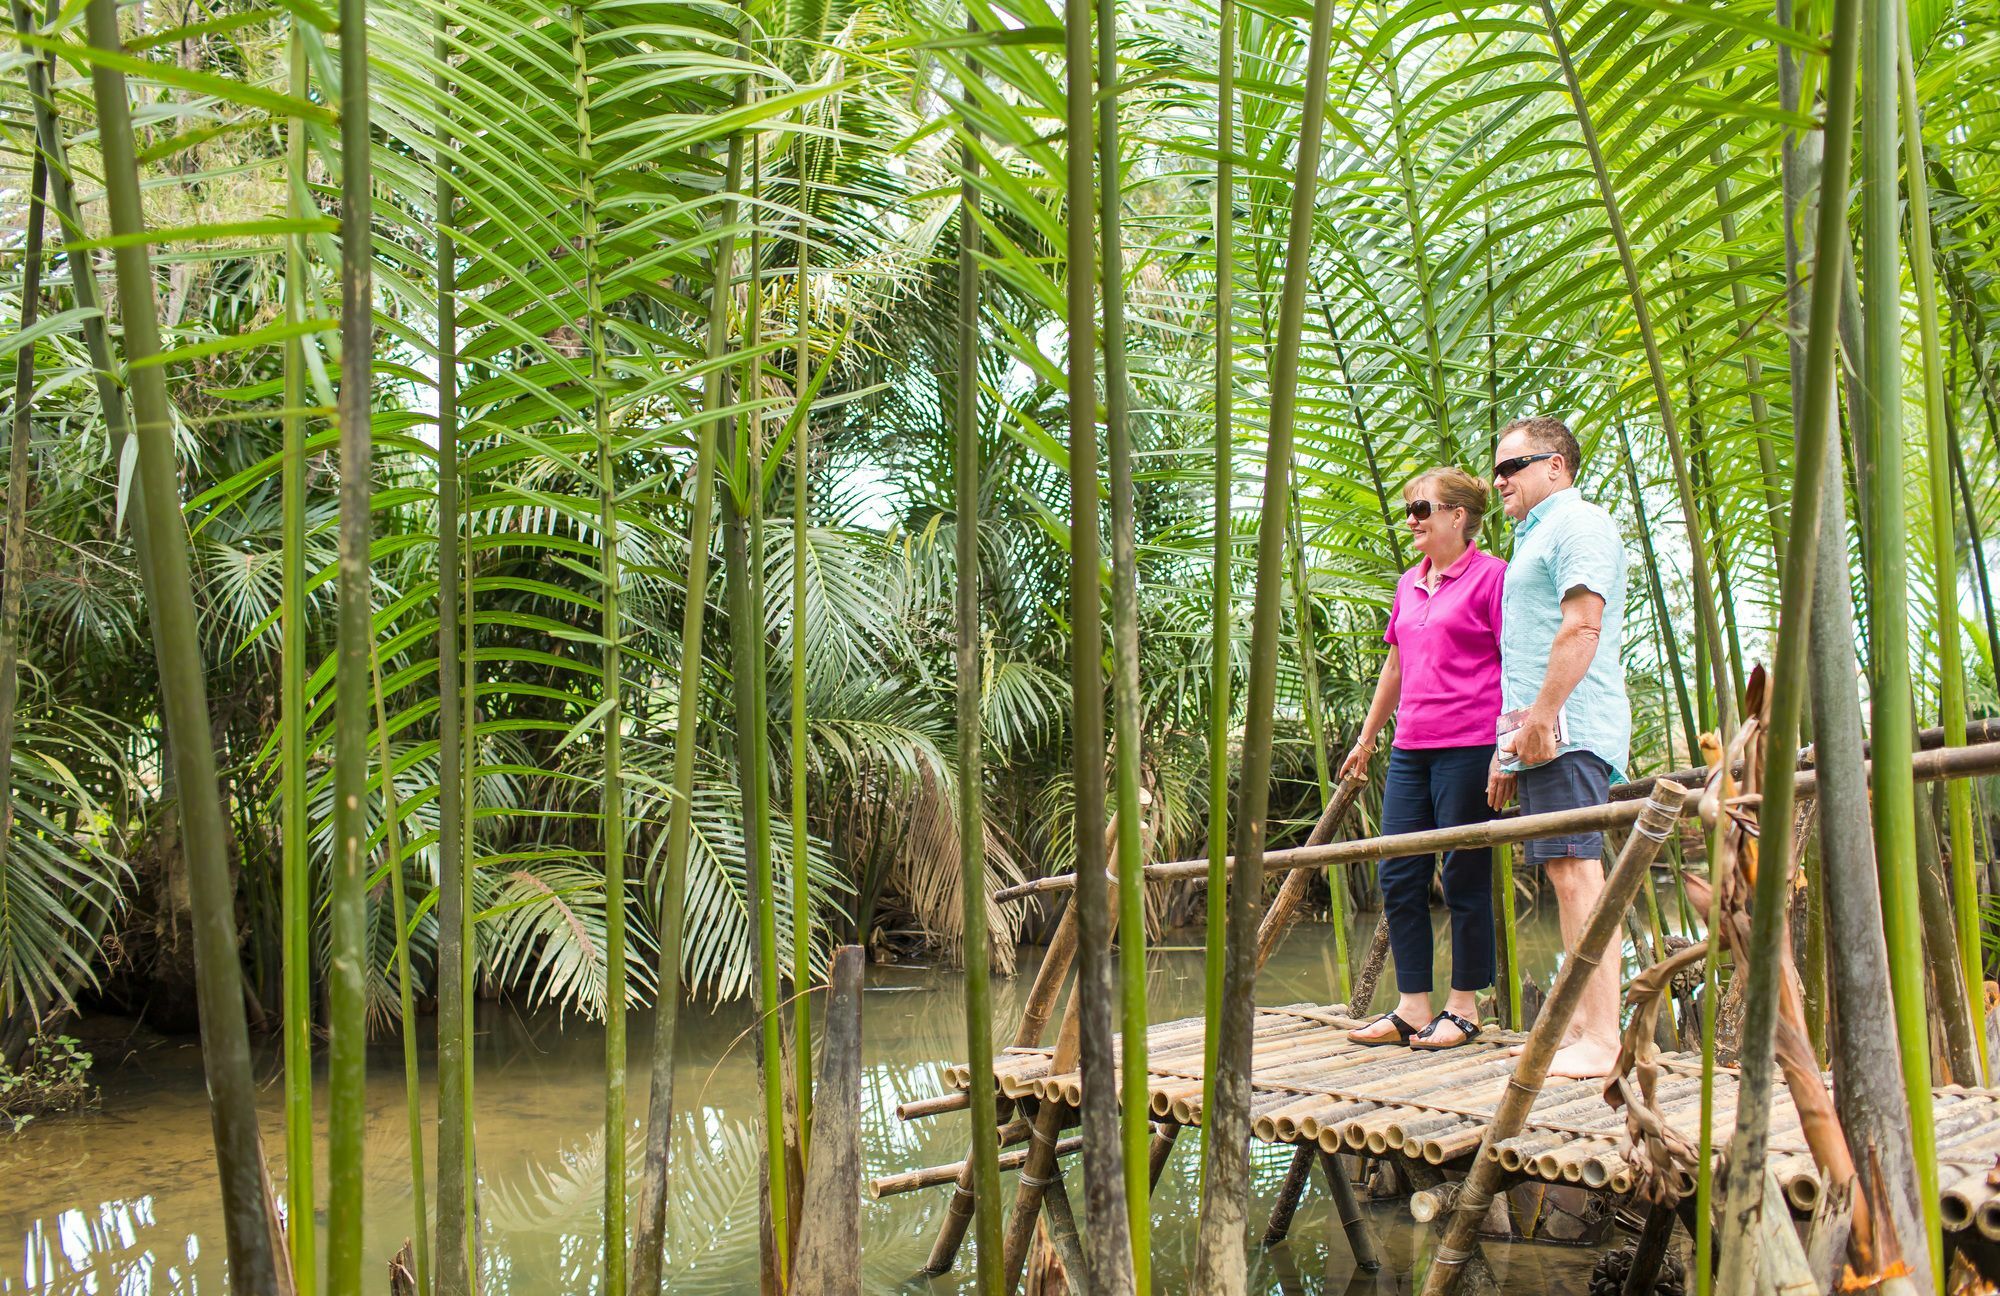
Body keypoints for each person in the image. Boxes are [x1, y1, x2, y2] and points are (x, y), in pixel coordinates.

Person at [1342, 467, 1509, 1051]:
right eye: (1409, 509)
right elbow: (1395, 668)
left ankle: (1464, 1008)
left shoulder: (1493, 579)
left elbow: (1514, 666)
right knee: (1399, 873)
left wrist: (1505, 753)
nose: (1412, 519)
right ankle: (1413, 1006)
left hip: (1470, 747)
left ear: (1458, 517)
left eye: (1423, 509)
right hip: (1411, 749)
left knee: (1464, 873)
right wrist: (1367, 741)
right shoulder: (1408, 583)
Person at [1489, 415, 1630, 1079]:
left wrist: (1543, 717)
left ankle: (1605, 1037)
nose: (1499, 480)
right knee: (1561, 874)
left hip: (1570, 729)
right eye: (1497, 469)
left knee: (1579, 874)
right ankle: (1578, 1025)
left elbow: (1582, 626)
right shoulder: (1532, 539)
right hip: (1544, 733)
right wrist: (1510, 742)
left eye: (1513, 466)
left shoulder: (1578, 524)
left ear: (1557, 467)